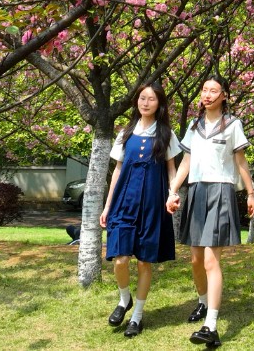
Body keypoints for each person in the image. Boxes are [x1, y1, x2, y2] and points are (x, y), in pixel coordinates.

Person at [167, 76, 254, 348]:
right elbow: (185, 162)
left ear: (224, 95)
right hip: (196, 192)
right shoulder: (194, 126)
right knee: (195, 259)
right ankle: (204, 302)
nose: (207, 95)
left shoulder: (233, 124)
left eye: (213, 91)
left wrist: (251, 193)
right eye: (204, 90)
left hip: (221, 191)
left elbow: (241, 161)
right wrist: (173, 191)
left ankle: (212, 325)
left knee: (210, 260)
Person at [101, 80, 181, 337]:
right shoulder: (125, 133)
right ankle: (125, 299)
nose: (145, 103)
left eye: (151, 99)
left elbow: (172, 170)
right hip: (125, 201)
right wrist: (107, 205)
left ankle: (137, 316)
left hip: (153, 204)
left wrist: (173, 193)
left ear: (160, 104)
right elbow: (118, 170)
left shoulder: (166, 134)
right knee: (120, 258)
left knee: (145, 262)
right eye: (142, 98)